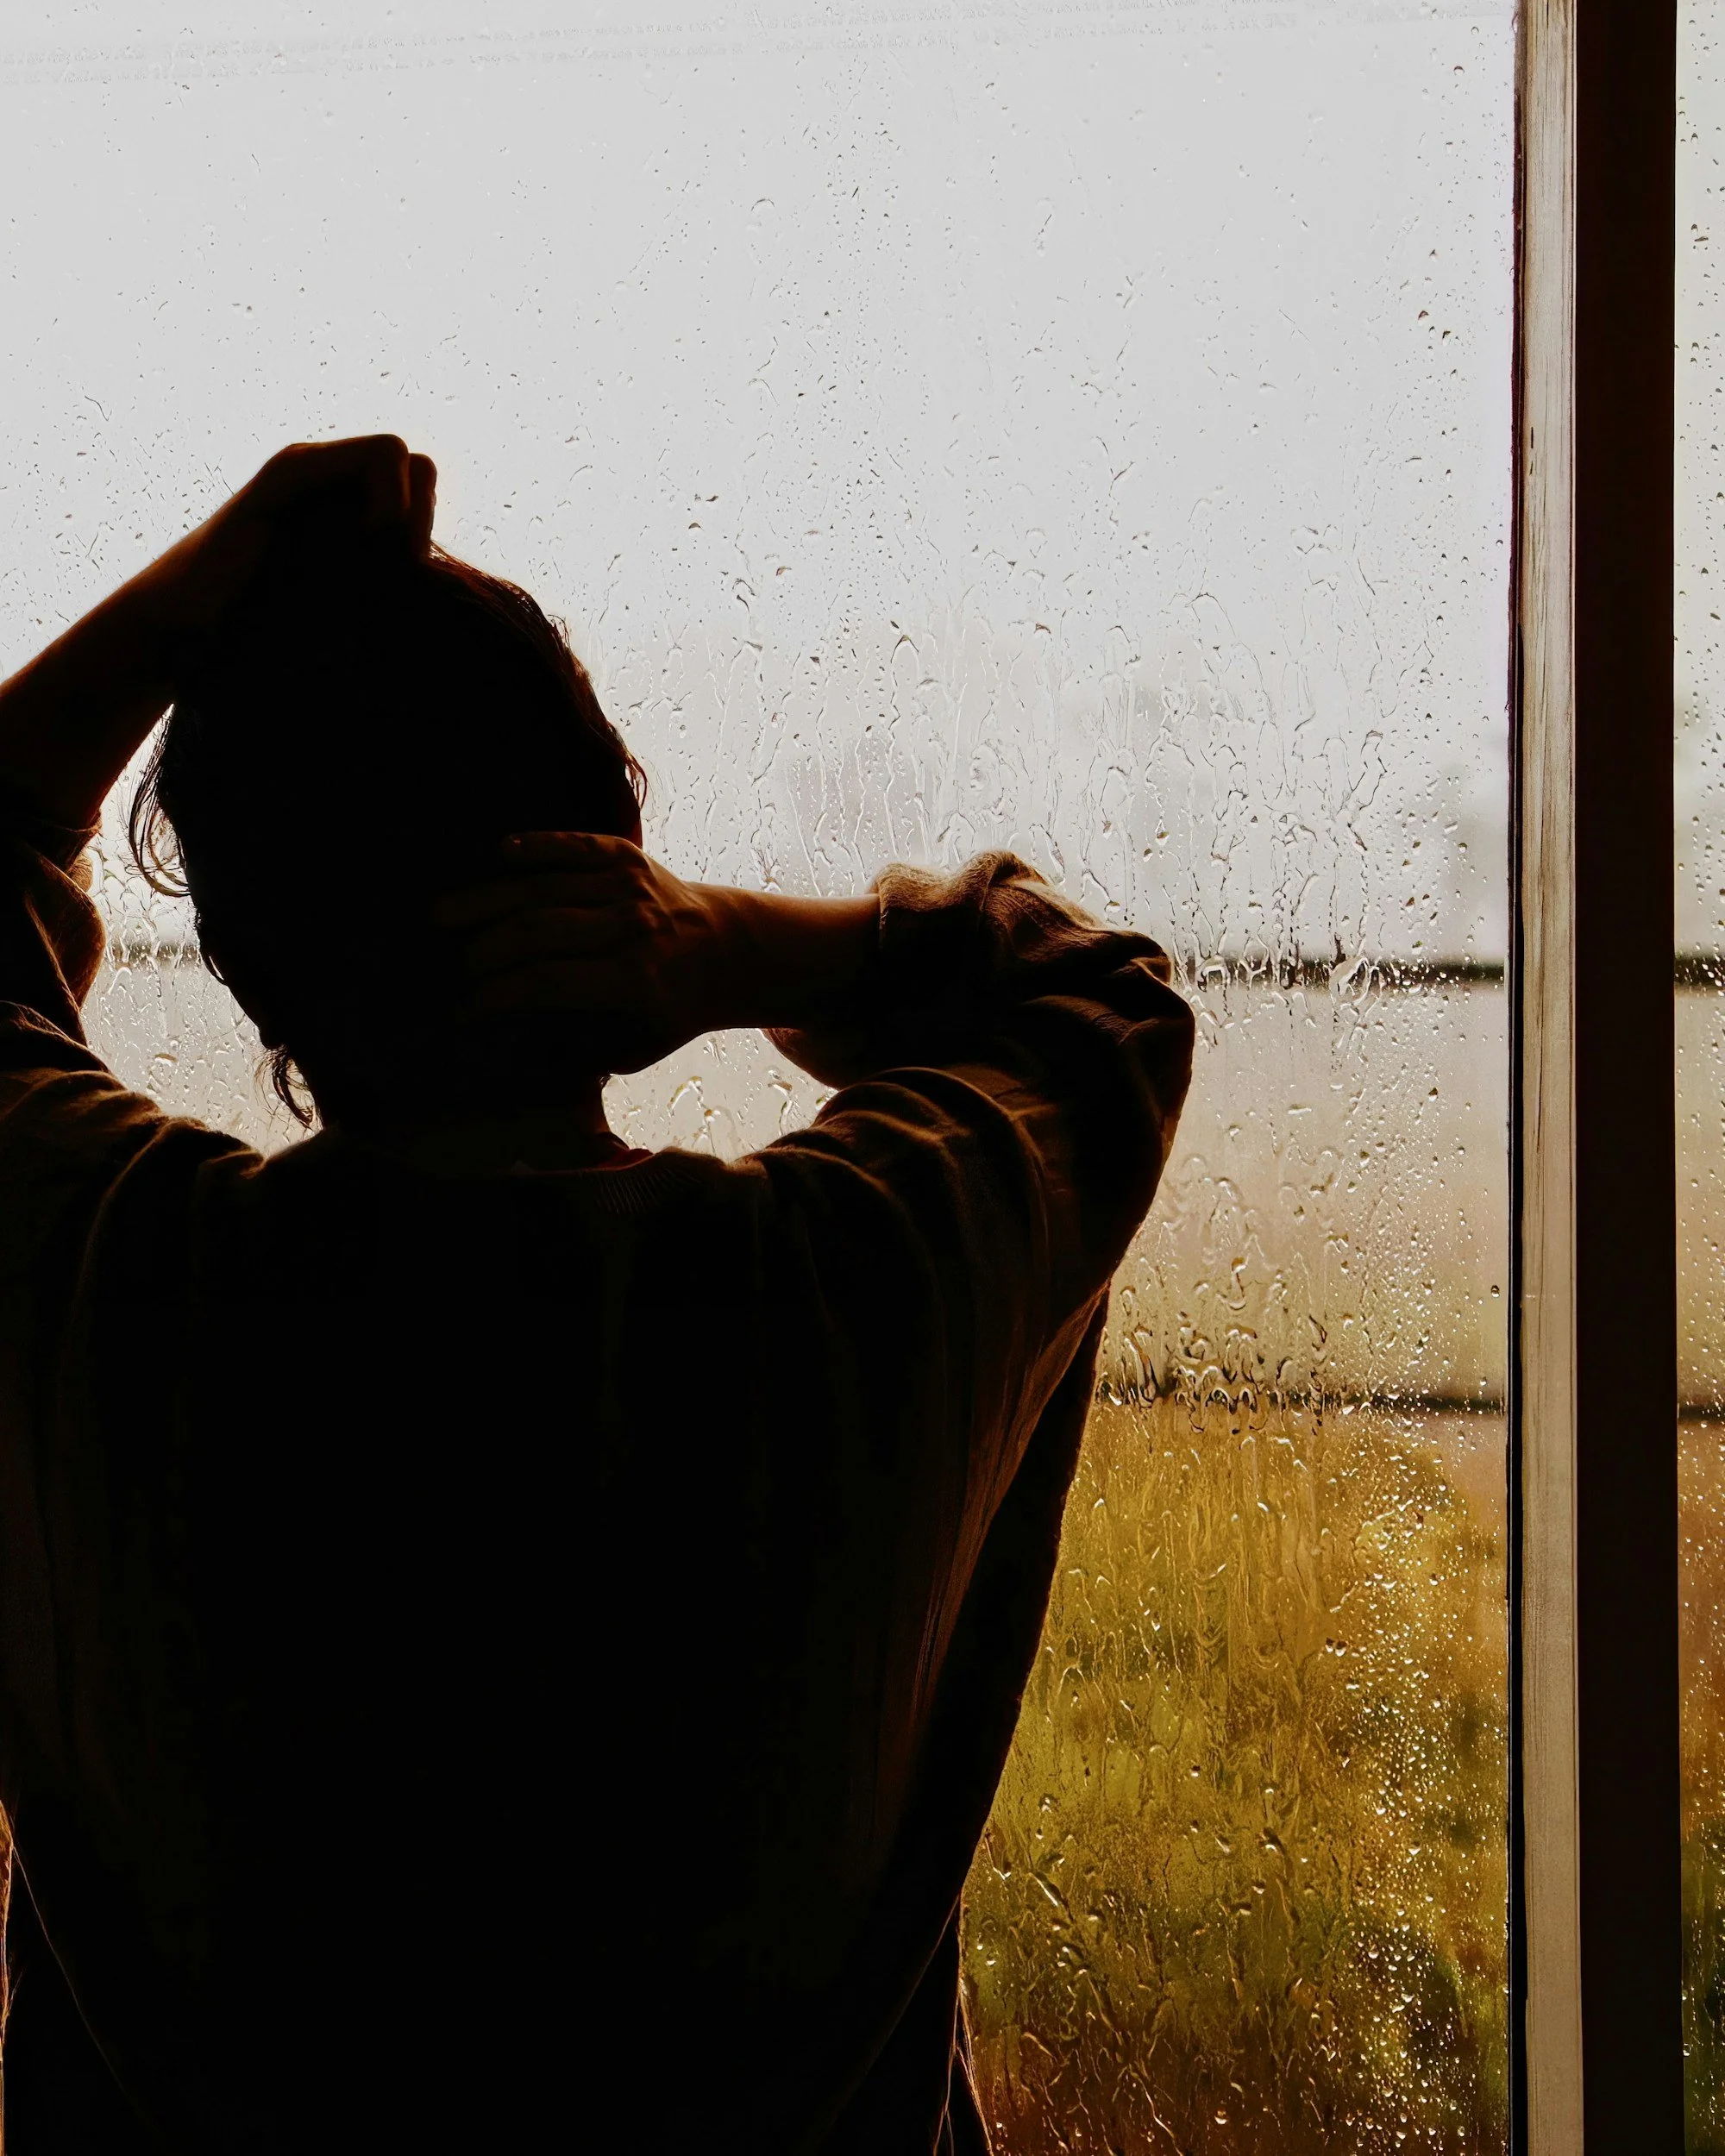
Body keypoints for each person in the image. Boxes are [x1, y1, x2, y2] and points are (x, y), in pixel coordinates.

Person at [0, 436, 1193, 2153]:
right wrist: (740, 946)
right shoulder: (858, 1284)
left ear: (254, 963)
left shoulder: (116, 1288)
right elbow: (1098, 1000)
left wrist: (220, 570)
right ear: (619, 858)